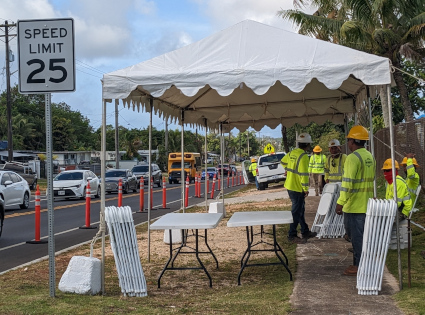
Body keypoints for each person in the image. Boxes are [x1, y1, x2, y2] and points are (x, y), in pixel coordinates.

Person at [335, 125, 376, 276]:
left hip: (354, 206)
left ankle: (359, 266)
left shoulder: (352, 158)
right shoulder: (370, 156)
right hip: (367, 205)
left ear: (353, 141)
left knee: (356, 238)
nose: (348, 143)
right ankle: (360, 262)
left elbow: (347, 184)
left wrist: (340, 203)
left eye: (349, 140)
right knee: (361, 237)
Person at [281, 133, 317, 244]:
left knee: (300, 209)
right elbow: (304, 174)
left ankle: (305, 231)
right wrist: (306, 188)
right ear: (307, 145)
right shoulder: (304, 156)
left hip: (290, 185)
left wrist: (288, 169)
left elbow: (282, 162)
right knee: (296, 211)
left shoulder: (292, 152)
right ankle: (292, 235)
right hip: (297, 188)